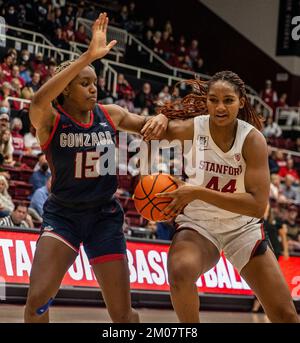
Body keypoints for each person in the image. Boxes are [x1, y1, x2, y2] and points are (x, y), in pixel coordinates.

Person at [24, 13, 167, 323]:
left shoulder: (110, 113)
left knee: (123, 315)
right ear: (65, 90)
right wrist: (88, 56)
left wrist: (164, 119)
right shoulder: (50, 121)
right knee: (36, 300)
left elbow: (150, 127)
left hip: (104, 217)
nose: (93, 89)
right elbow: (38, 99)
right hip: (64, 216)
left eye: (95, 82)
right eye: (84, 83)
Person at [141, 71, 299, 322]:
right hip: (200, 225)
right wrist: (160, 117)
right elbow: (133, 123)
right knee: (180, 271)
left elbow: (258, 206)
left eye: (228, 100)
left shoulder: (252, 139)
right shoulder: (194, 128)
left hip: (241, 228)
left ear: (241, 102)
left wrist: (197, 191)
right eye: (213, 100)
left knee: (286, 315)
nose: (220, 107)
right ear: (206, 102)